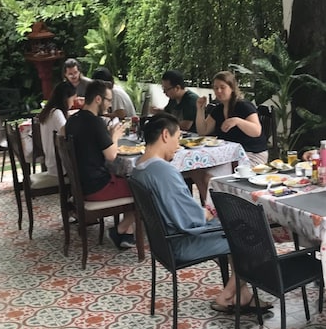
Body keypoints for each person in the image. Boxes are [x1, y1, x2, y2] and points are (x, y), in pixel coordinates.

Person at [130, 113, 269, 313]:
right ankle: (227, 297)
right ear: (165, 135)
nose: (178, 146)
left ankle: (243, 295)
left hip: (163, 243)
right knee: (255, 239)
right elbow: (192, 220)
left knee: (237, 228)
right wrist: (210, 212)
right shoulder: (163, 172)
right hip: (182, 243)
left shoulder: (139, 167)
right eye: (178, 138)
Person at [65, 79, 137, 249]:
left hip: (81, 186)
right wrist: (115, 137)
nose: (110, 105)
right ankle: (121, 229)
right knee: (143, 188)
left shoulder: (72, 120)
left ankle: (127, 232)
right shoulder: (95, 122)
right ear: (98, 99)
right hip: (97, 187)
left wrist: (108, 136)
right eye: (108, 100)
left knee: (130, 181)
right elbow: (111, 155)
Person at [196, 70, 267, 164]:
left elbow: (257, 131)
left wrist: (237, 121)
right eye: (216, 88)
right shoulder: (218, 109)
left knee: (213, 170)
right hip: (228, 155)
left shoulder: (244, 106)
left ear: (232, 88)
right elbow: (203, 131)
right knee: (201, 168)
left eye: (222, 87)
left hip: (251, 154)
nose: (218, 91)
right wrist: (200, 109)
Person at [37, 80, 76, 179]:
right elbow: (67, 134)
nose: (73, 103)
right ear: (66, 98)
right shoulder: (56, 113)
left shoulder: (48, 112)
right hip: (61, 167)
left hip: (52, 165)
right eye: (73, 99)